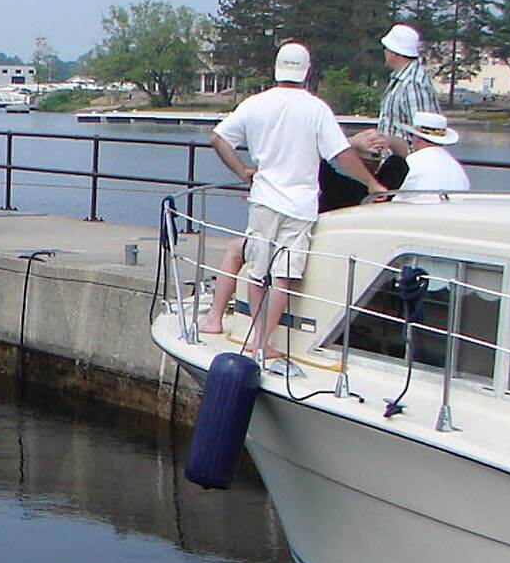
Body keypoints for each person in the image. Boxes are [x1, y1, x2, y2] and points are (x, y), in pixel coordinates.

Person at [198, 42, 386, 360]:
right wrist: (371, 183)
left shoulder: (255, 104)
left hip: (264, 199)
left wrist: (243, 170)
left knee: (257, 271)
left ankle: (255, 337)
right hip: (300, 205)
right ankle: (262, 342)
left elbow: (218, 138)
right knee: (285, 276)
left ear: (277, 69)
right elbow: (340, 153)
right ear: (307, 72)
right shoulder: (315, 109)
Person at [348, 23, 439, 158]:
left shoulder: (413, 84)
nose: (384, 52)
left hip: (406, 168)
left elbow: (425, 139)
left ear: (395, 52)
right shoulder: (403, 79)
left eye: (386, 48)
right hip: (395, 165)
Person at [396, 111, 470, 194]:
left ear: (417, 139)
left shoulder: (411, 162)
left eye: (411, 135)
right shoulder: (456, 167)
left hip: (417, 206)